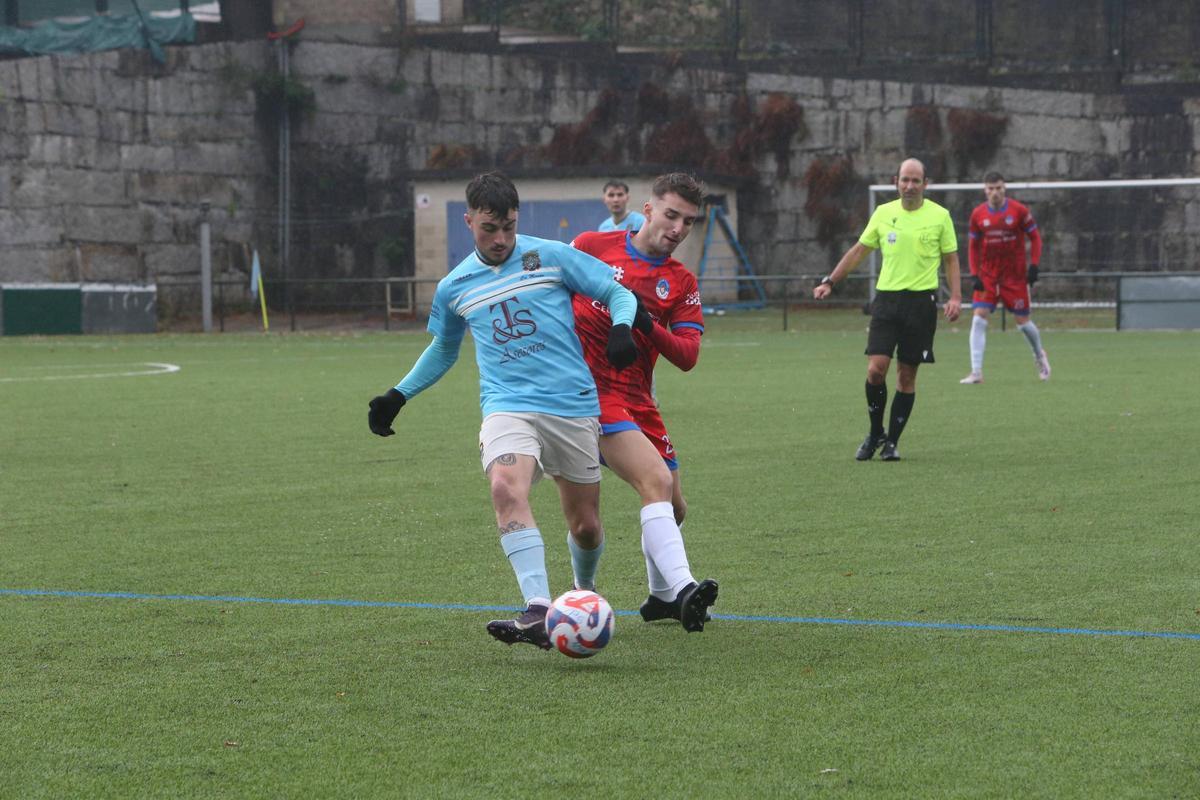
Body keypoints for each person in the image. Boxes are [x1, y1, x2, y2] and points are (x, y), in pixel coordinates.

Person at [367, 171, 639, 651]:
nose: (501, 239)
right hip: (507, 406)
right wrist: (399, 395)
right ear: (469, 220)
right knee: (503, 486)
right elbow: (444, 349)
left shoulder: (550, 257)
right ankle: (537, 608)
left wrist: (622, 328)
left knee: (586, 525)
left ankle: (582, 591)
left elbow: (618, 292)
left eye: (509, 228)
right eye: (490, 229)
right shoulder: (455, 287)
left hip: (571, 406)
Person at [571, 172, 718, 632]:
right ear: (647, 209)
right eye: (671, 215)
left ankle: (657, 597)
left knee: (674, 507)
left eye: (688, 222)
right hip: (589, 394)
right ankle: (684, 589)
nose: (677, 229)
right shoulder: (593, 246)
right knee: (652, 481)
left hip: (639, 398)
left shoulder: (680, 281)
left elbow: (689, 356)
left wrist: (645, 323)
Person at [812, 157, 962, 462]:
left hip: (921, 304)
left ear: (925, 184)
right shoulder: (883, 214)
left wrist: (956, 297)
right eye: (904, 180)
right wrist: (831, 280)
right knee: (875, 369)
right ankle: (874, 432)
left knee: (906, 376)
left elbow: (950, 259)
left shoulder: (940, 216)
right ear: (896, 181)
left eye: (915, 180)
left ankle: (892, 442)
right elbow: (859, 251)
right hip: (887, 302)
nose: (909, 186)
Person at [960, 172, 1050, 384]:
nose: (995, 192)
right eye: (990, 189)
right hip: (988, 275)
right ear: (985, 190)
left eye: (998, 188)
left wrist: (1034, 265)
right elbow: (972, 246)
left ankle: (1039, 356)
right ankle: (976, 372)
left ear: (1004, 188)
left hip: (1014, 276)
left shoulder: (1018, 211)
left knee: (1023, 323)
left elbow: (1035, 238)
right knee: (979, 316)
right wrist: (974, 273)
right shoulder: (978, 215)